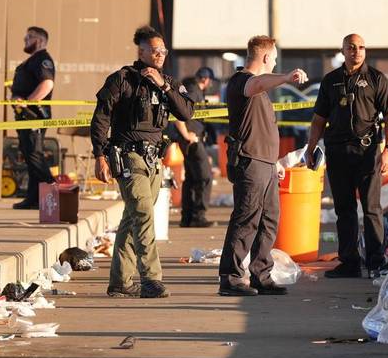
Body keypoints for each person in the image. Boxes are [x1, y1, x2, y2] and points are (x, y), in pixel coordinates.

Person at [91, 26, 195, 299]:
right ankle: (151, 279)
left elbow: (186, 112)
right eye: (155, 51)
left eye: (163, 51)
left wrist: (163, 86)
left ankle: (120, 282)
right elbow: (100, 117)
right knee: (144, 216)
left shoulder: (168, 82)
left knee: (132, 219)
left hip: (154, 160)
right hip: (128, 157)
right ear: (142, 51)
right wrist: (99, 156)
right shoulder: (122, 79)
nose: (160, 55)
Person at [217, 35, 307, 297]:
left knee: (269, 220)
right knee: (246, 218)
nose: (276, 61)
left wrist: (276, 162)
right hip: (250, 161)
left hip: (266, 163)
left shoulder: (260, 89)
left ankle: (261, 274)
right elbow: (256, 82)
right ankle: (231, 278)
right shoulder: (242, 82)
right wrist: (286, 77)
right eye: (274, 58)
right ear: (266, 57)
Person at [305, 34, 388, 278]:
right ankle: (349, 262)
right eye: (351, 47)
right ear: (343, 51)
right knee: (344, 209)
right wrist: (310, 148)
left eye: (361, 47)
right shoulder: (331, 80)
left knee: (371, 209)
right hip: (337, 152)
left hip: (367, 152)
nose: (356, 51)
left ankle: (376, 261)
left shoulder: (376, 78)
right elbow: (318, 120)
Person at [10, 26, 57, 209]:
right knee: (29, 154)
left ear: (41, 41)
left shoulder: (43, 59)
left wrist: (28, 102)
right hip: (25, 115)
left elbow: (47, 83)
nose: (25, 39)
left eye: (30, 37)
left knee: (34, 154)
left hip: (34, 115)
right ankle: (33, 198)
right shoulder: (32, 61)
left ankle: (55, 193)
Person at [173, 67, 215, 228]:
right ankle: (198, 216)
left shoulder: (192, 89)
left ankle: (187, 218)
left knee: (191, 178)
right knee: (205, 177)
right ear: (205, 79)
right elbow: (178, 111)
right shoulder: (193, 90)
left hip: (192, 140)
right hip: (192, 141)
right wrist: (186, 134)